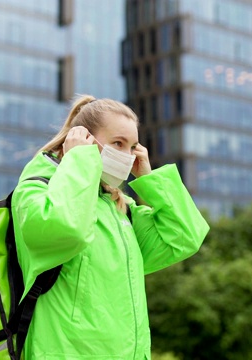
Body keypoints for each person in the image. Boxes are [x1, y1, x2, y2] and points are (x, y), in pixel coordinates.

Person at [11, 94, 210, 359]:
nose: (127, 156)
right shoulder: (38, 188)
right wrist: (80, 160)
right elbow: (65, 230)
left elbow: (185, 236)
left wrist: (148, 179)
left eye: (133, 147)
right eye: (118, 143)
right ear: (82, 139)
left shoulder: (120, 210)